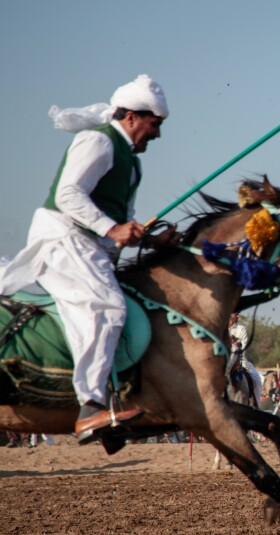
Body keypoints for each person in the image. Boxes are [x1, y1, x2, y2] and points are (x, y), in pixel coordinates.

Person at [0, 74, 178, 444]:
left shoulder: (133, 164)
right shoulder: (98, 140)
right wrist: (112, 229)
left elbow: (121, 224)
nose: (158, 134)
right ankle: (91, 406)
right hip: (63, 239)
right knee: (108, 307)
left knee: (121, 305)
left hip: (89, 246)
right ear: (131, 117)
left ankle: (111, 405)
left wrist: (150, 240)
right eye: (154, 124)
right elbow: (68, 194)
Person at [227, 313, 262, 407]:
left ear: (236, 317)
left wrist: (241, 363)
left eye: (233, 314)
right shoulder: (220, 328)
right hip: (221, 361)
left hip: (238, 359)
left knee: (256, 380)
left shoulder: (241, 329)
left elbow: (244, 348)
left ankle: (257, 407)